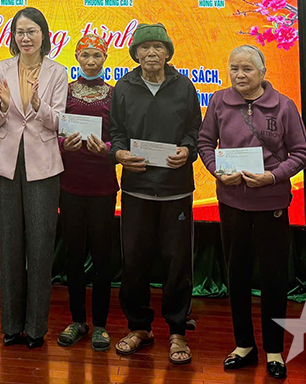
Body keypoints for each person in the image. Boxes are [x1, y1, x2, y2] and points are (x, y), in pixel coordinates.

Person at [197, 45, 306, 380]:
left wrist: (273, 177)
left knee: (274, 278)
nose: (239, 75)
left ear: (263, 72)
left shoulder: (284, 106)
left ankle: (274, 349)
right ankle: (244, 345)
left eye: (247, 69)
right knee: (237, 275)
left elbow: (303, 152)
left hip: (271, 203)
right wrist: (217, 170)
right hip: (231, 202)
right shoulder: (218, 101)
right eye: (234, 68)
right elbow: (205, 143)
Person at [110, 22, 200, 364]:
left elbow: (195, 129)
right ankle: (139, 327)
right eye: (144, 47)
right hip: (137, 189)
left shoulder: (184, 86)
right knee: (134, 261)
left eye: (158, 47)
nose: (151, 53)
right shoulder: (124, 87)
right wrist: (119, 154)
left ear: (167, 53)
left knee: (177, 262)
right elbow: (116, 131)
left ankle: (177, 330)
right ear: (135, 53)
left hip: (176, 189)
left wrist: (188, 150)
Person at [0, 7, 68, 349]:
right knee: (8, 245)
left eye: (32, 31)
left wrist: (37, 104)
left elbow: (60, 122)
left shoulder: (58, 72)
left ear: (43, 35)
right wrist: (5, 106)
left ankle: (36, 328)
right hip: (6, 163)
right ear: (13, 36)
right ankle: (10, 325)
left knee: (40, 245)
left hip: (43, 165)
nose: (25, 37)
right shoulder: (0, 68)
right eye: (20, 32)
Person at [55, 33, 118, 352]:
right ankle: (78, 320)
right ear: (77, 58)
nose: (91, 61)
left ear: (105, 58)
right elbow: (50, 131)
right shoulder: (64, 92)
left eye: (97, 55)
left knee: (103, 255)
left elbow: (122, 136)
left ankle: (101, 325)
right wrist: (62, 144)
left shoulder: (115, 94)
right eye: (85, 55)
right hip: (70, 183)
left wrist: (106, 148)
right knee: (73, 254)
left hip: (103, 184)